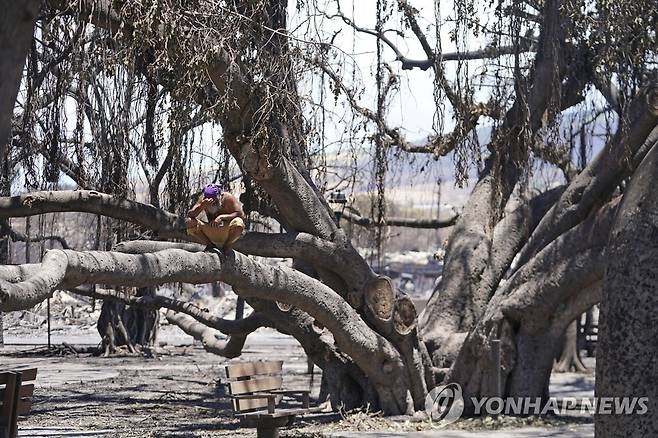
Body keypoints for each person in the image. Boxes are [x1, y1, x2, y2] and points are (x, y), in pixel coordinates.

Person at [186, 183, 245, 251]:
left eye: (215, 201)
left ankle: (227, 246)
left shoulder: (227, 198)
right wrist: (201, 207)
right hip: (211, 230)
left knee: (239, 223)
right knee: (189, 222)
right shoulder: (203, 200)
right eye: (211, 202)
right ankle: (209, 245)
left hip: (226, 231)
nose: (213, 204)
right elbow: (190, 214)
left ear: (219, 196)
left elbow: (240, 214)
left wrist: (222, 217)